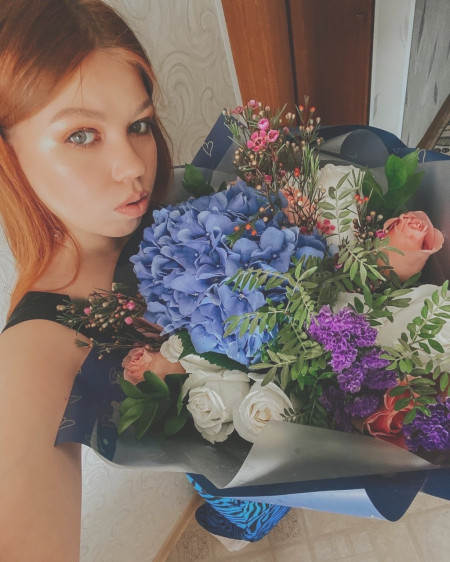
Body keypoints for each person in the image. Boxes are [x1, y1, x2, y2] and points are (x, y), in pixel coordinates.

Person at [0, 0, 180, 559]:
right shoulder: (39, 348)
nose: (134, 167)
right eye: (81, 135)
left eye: (138, 125)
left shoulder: (179, 214)